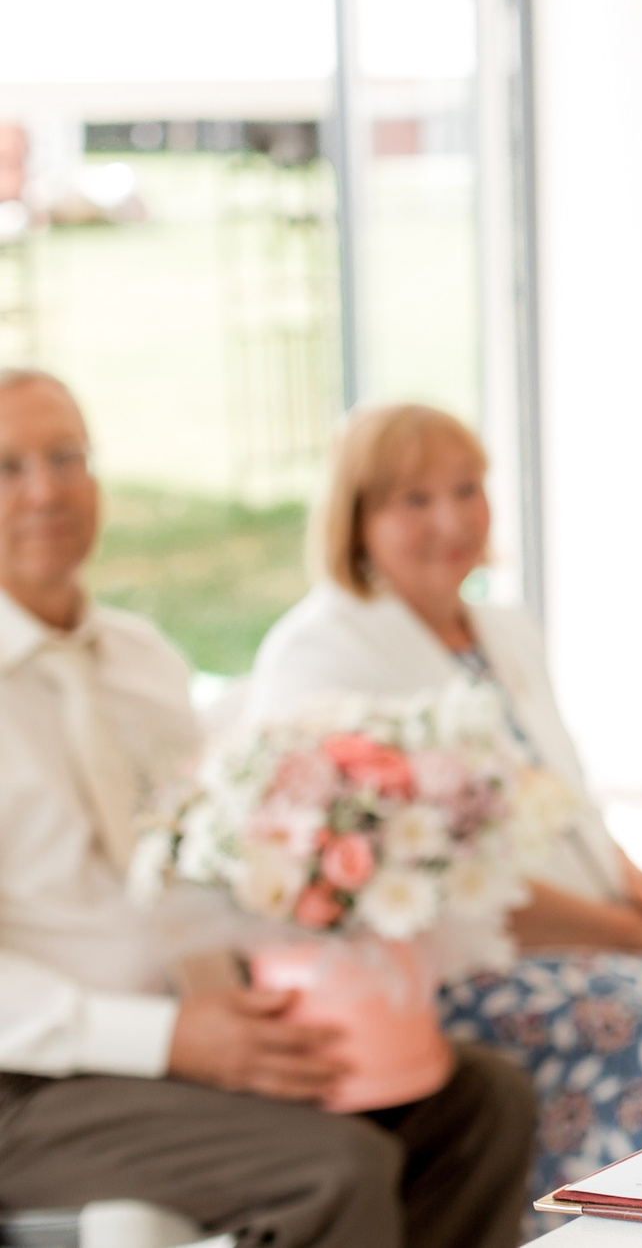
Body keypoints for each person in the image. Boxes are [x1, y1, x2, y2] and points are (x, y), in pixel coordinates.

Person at [0, 371, 532, 1248]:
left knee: (480, 1101)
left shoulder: (141, 659)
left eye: (67, 457)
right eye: (9, 465)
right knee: (335, 1166)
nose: (47, 488)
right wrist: (165, 1037)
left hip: (204, 1026)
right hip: (34, 1081)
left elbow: (221, 848)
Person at [249, 402, 642, 1228]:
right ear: (356, 517)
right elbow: (424, 874)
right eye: (414, 500)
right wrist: (624, 928)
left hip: (596, 933)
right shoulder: (322, 651)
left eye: (467, 489)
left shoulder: (503, 628)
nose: (453, 519)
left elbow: (558, 797)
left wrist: (639, 885)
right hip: (457, 972)